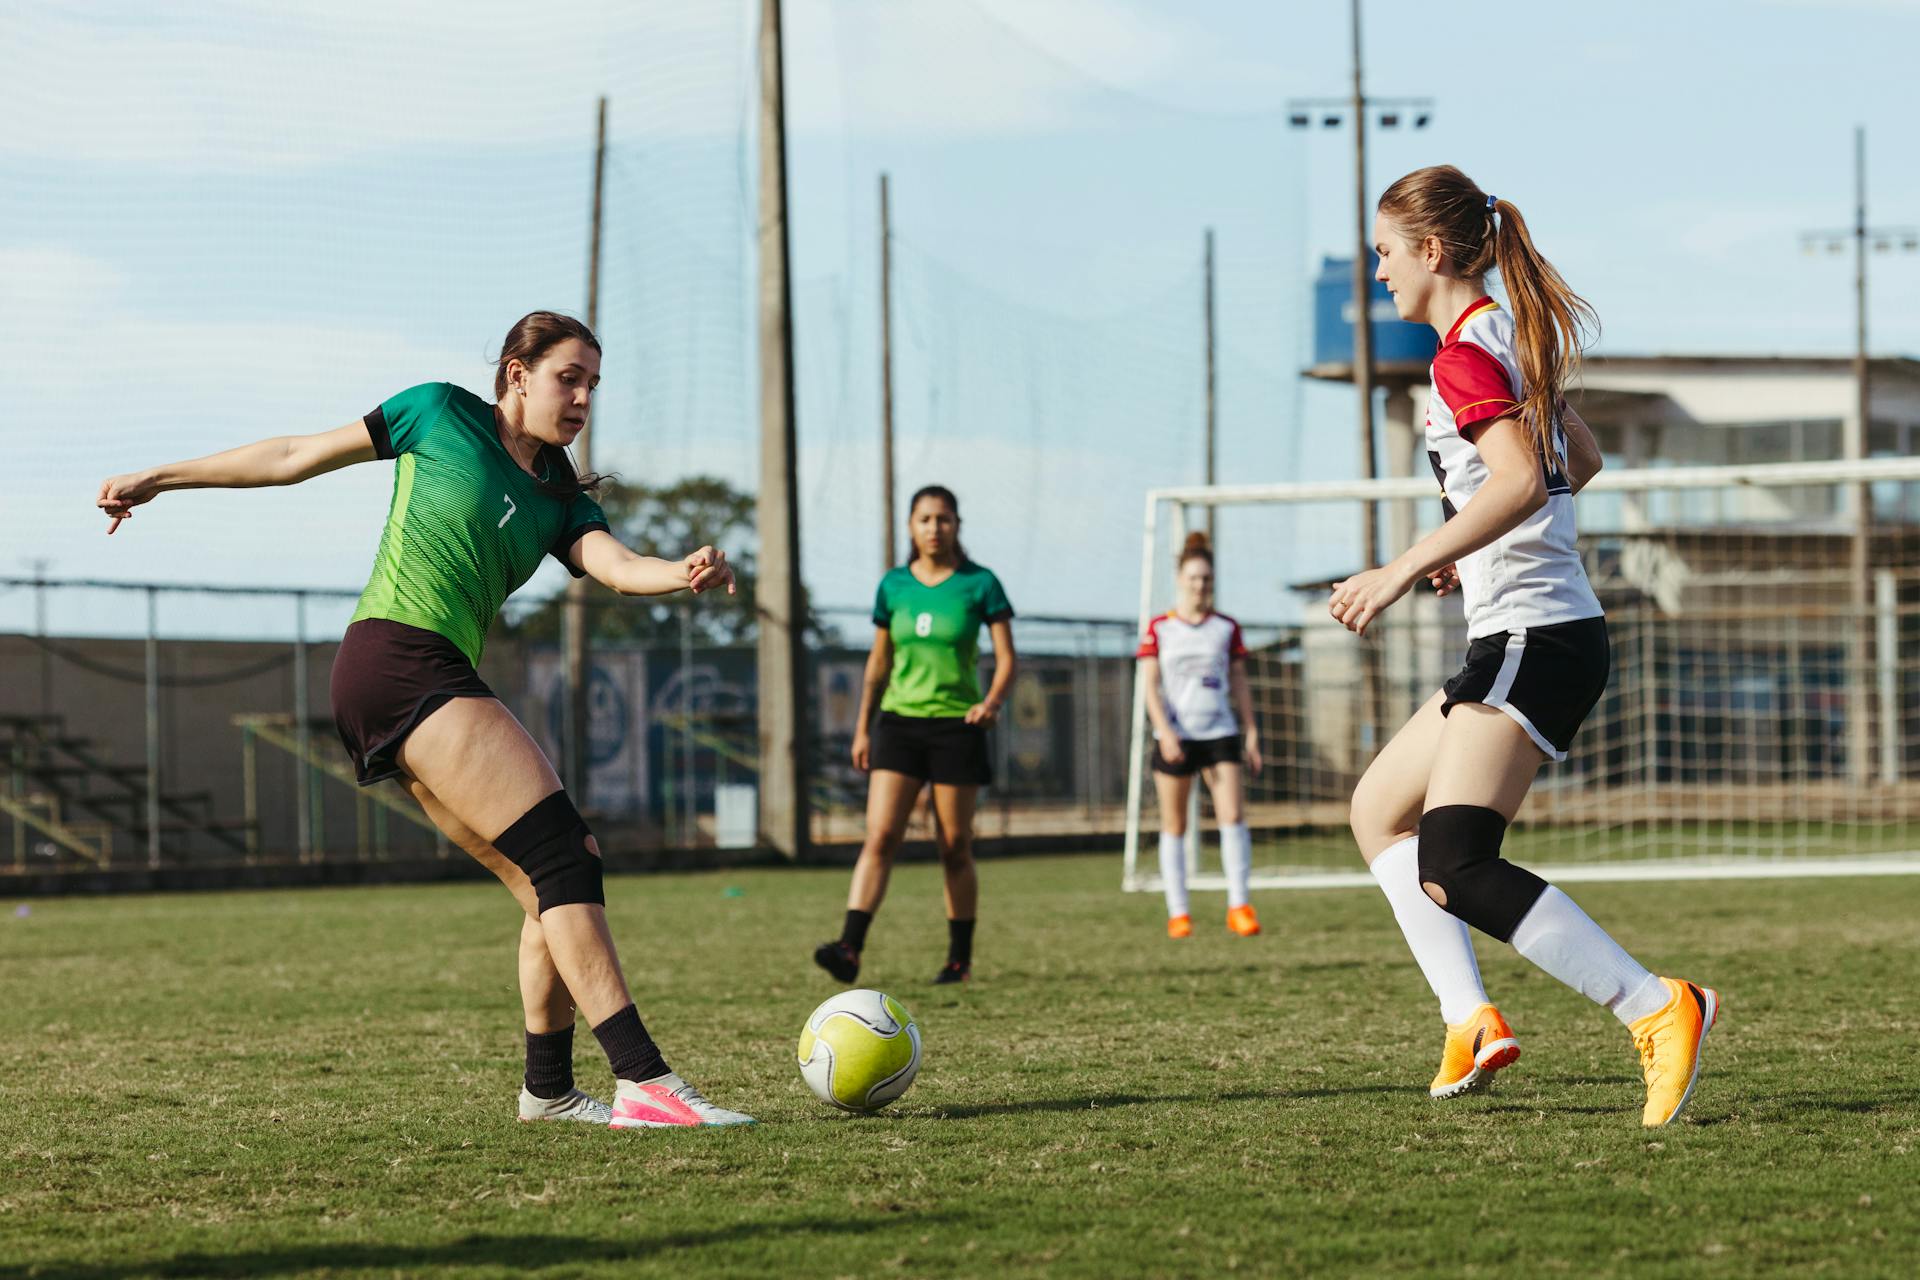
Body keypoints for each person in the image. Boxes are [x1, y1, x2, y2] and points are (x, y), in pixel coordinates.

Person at [96, 311, 754, 1130]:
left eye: (593, 383)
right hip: (398, 658)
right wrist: (162, 476)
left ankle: (548, 1091)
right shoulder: (438, 413)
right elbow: (295, 456)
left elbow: (616, 567)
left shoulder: (557, 493)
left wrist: (681, 570)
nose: (583, 397)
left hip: (408, 678)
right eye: (568, 377)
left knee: (545, 884)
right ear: (517, 373)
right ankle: (645, 1081)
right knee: (564, 855)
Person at [1331, 167, 1718, 1127]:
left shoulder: (1463, 355)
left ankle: (1657, 1006)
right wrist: (1487, 546)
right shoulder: (1506, 335)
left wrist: (1400, 568)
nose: (1375, 272)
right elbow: (1575, 460)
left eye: (1383, 252)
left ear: (1432, 252)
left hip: (1533, 637)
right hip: (1534, 630)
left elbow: (1516, 481)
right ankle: (1469, 1018)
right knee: (1380, 811)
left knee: (1455, 862)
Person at [814, 485, 1017, 986]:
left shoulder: (980, 584)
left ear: (956, 525)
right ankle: (849, 948)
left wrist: (990, 704)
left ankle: (958, 960)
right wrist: (863, 727)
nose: (934, 527)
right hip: (899, 725)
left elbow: (1008, 658)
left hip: (957, 726)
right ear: (910, 526)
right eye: (925, 519)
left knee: (953, 846)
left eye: (944, 519)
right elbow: (879, 661)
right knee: (881, 835)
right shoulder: (894, 586)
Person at [1136, 531, 1263, 938]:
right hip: (1176, 736)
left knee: (1232, 817)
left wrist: (1251, 732)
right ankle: (1179, 912)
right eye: (1193, 578)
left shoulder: (1225, 628)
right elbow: (1150, 685)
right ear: (1180, 580)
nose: (1200, 585)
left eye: (1206, 579)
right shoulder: (1160, 628)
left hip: (1220, 733)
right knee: (1175, 825)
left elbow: (1239, 682)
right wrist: (1165, 732)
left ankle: (1239, 905)